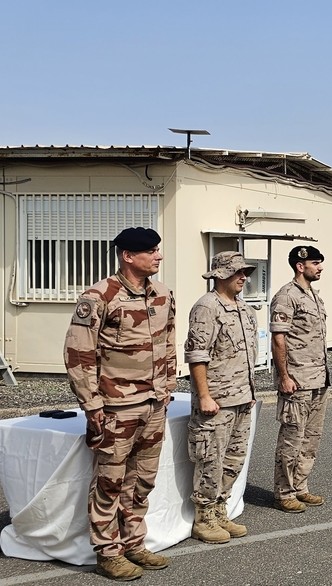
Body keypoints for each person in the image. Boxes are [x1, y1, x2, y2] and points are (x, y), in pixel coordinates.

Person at [63, 227, 176, 581]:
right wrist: (92, 404)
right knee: (110, 481)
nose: (158, 256)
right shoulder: (99, 297)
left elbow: (170, 340)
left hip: (154, 403)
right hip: (116, 407)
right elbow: (78, 354)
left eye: (158, 250)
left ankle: (134, 543)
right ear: (128, 256)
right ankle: (108, 552)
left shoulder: (162, 293)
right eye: (151, 251)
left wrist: (168, 385)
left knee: (142, 479)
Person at [184, 251, 258, 544]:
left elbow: (247, 354)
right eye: (237, 272)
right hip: (216, 401)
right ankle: (204, 517)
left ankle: (220, 509)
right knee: (210, 460)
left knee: (234, 459)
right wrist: (204, 396)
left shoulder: (244, 309)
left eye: (245, 272)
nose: (243, 277)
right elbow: (197, 355)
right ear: (219, 275)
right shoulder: (206, 307)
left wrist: (250, 392)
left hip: (241, 397)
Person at [269, 245, 330, 513]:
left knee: (311, 438)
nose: (320, 267)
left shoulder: (314, 296)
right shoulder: (286, 297)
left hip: (318, 378)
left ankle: (300, 487)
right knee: (292, 439)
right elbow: (278, 339)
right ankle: (284, 492)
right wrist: (284, 376)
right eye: (316, 263)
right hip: (297, 380)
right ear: (300, 266)